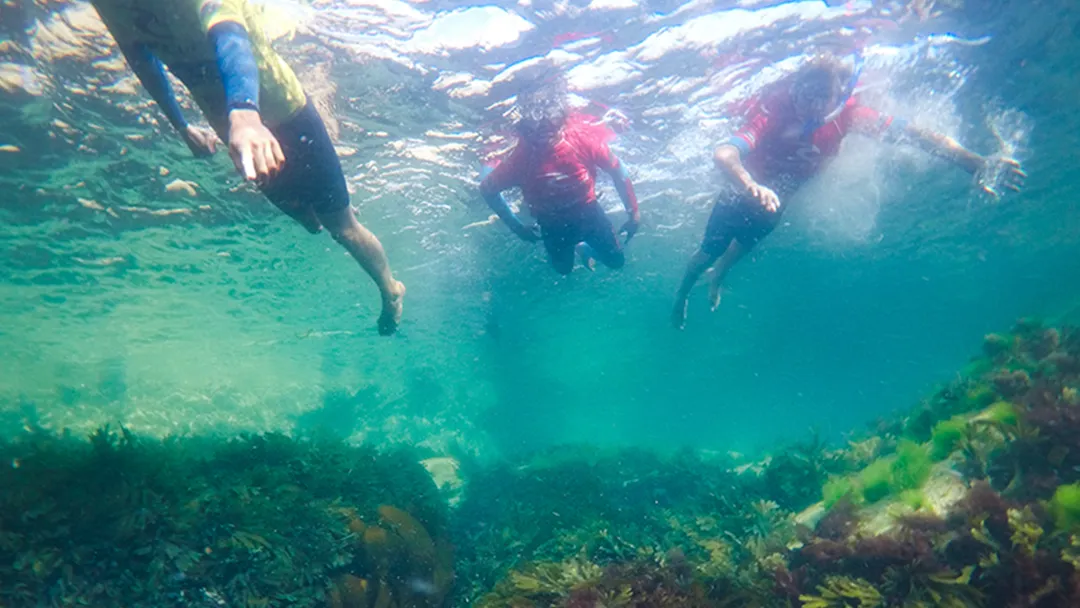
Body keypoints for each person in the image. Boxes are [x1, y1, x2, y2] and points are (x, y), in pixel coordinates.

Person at [89, 0, 405, 335]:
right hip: (237, 132)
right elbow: (141, 58)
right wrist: (181, 126)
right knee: (307, 219)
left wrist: (244, 113)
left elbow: (229, 32)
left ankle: (390, 288)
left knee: (341, 227)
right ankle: (323, 197)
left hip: (284, 112)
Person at [671, 54, 1025, 329]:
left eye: (820, 98)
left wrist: (974, 163)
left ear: (836, 98)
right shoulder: (773, 112)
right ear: (792, 90)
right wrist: (750, 185)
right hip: (741, 194)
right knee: (706, 253)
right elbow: (724, 153)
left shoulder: (851, 116)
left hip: (778, 202)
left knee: (743, 247)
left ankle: (719, 277)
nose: (809, 106)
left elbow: (917, 135)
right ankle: (684, 294)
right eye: (803, 95)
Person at [478, 72, 641, 275]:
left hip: (590, 215)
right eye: (535, 131)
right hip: (552, 225)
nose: (543, 135)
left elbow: (618, 171)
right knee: (563, 270)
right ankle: (581, 248)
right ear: (525, 130)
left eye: (550, 127)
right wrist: (517, 227)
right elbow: (487, 190)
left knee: (616, 262)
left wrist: (633, 213)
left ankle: (584, 249)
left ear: (562, 123)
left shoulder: (581, 141)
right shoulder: (519, 160)